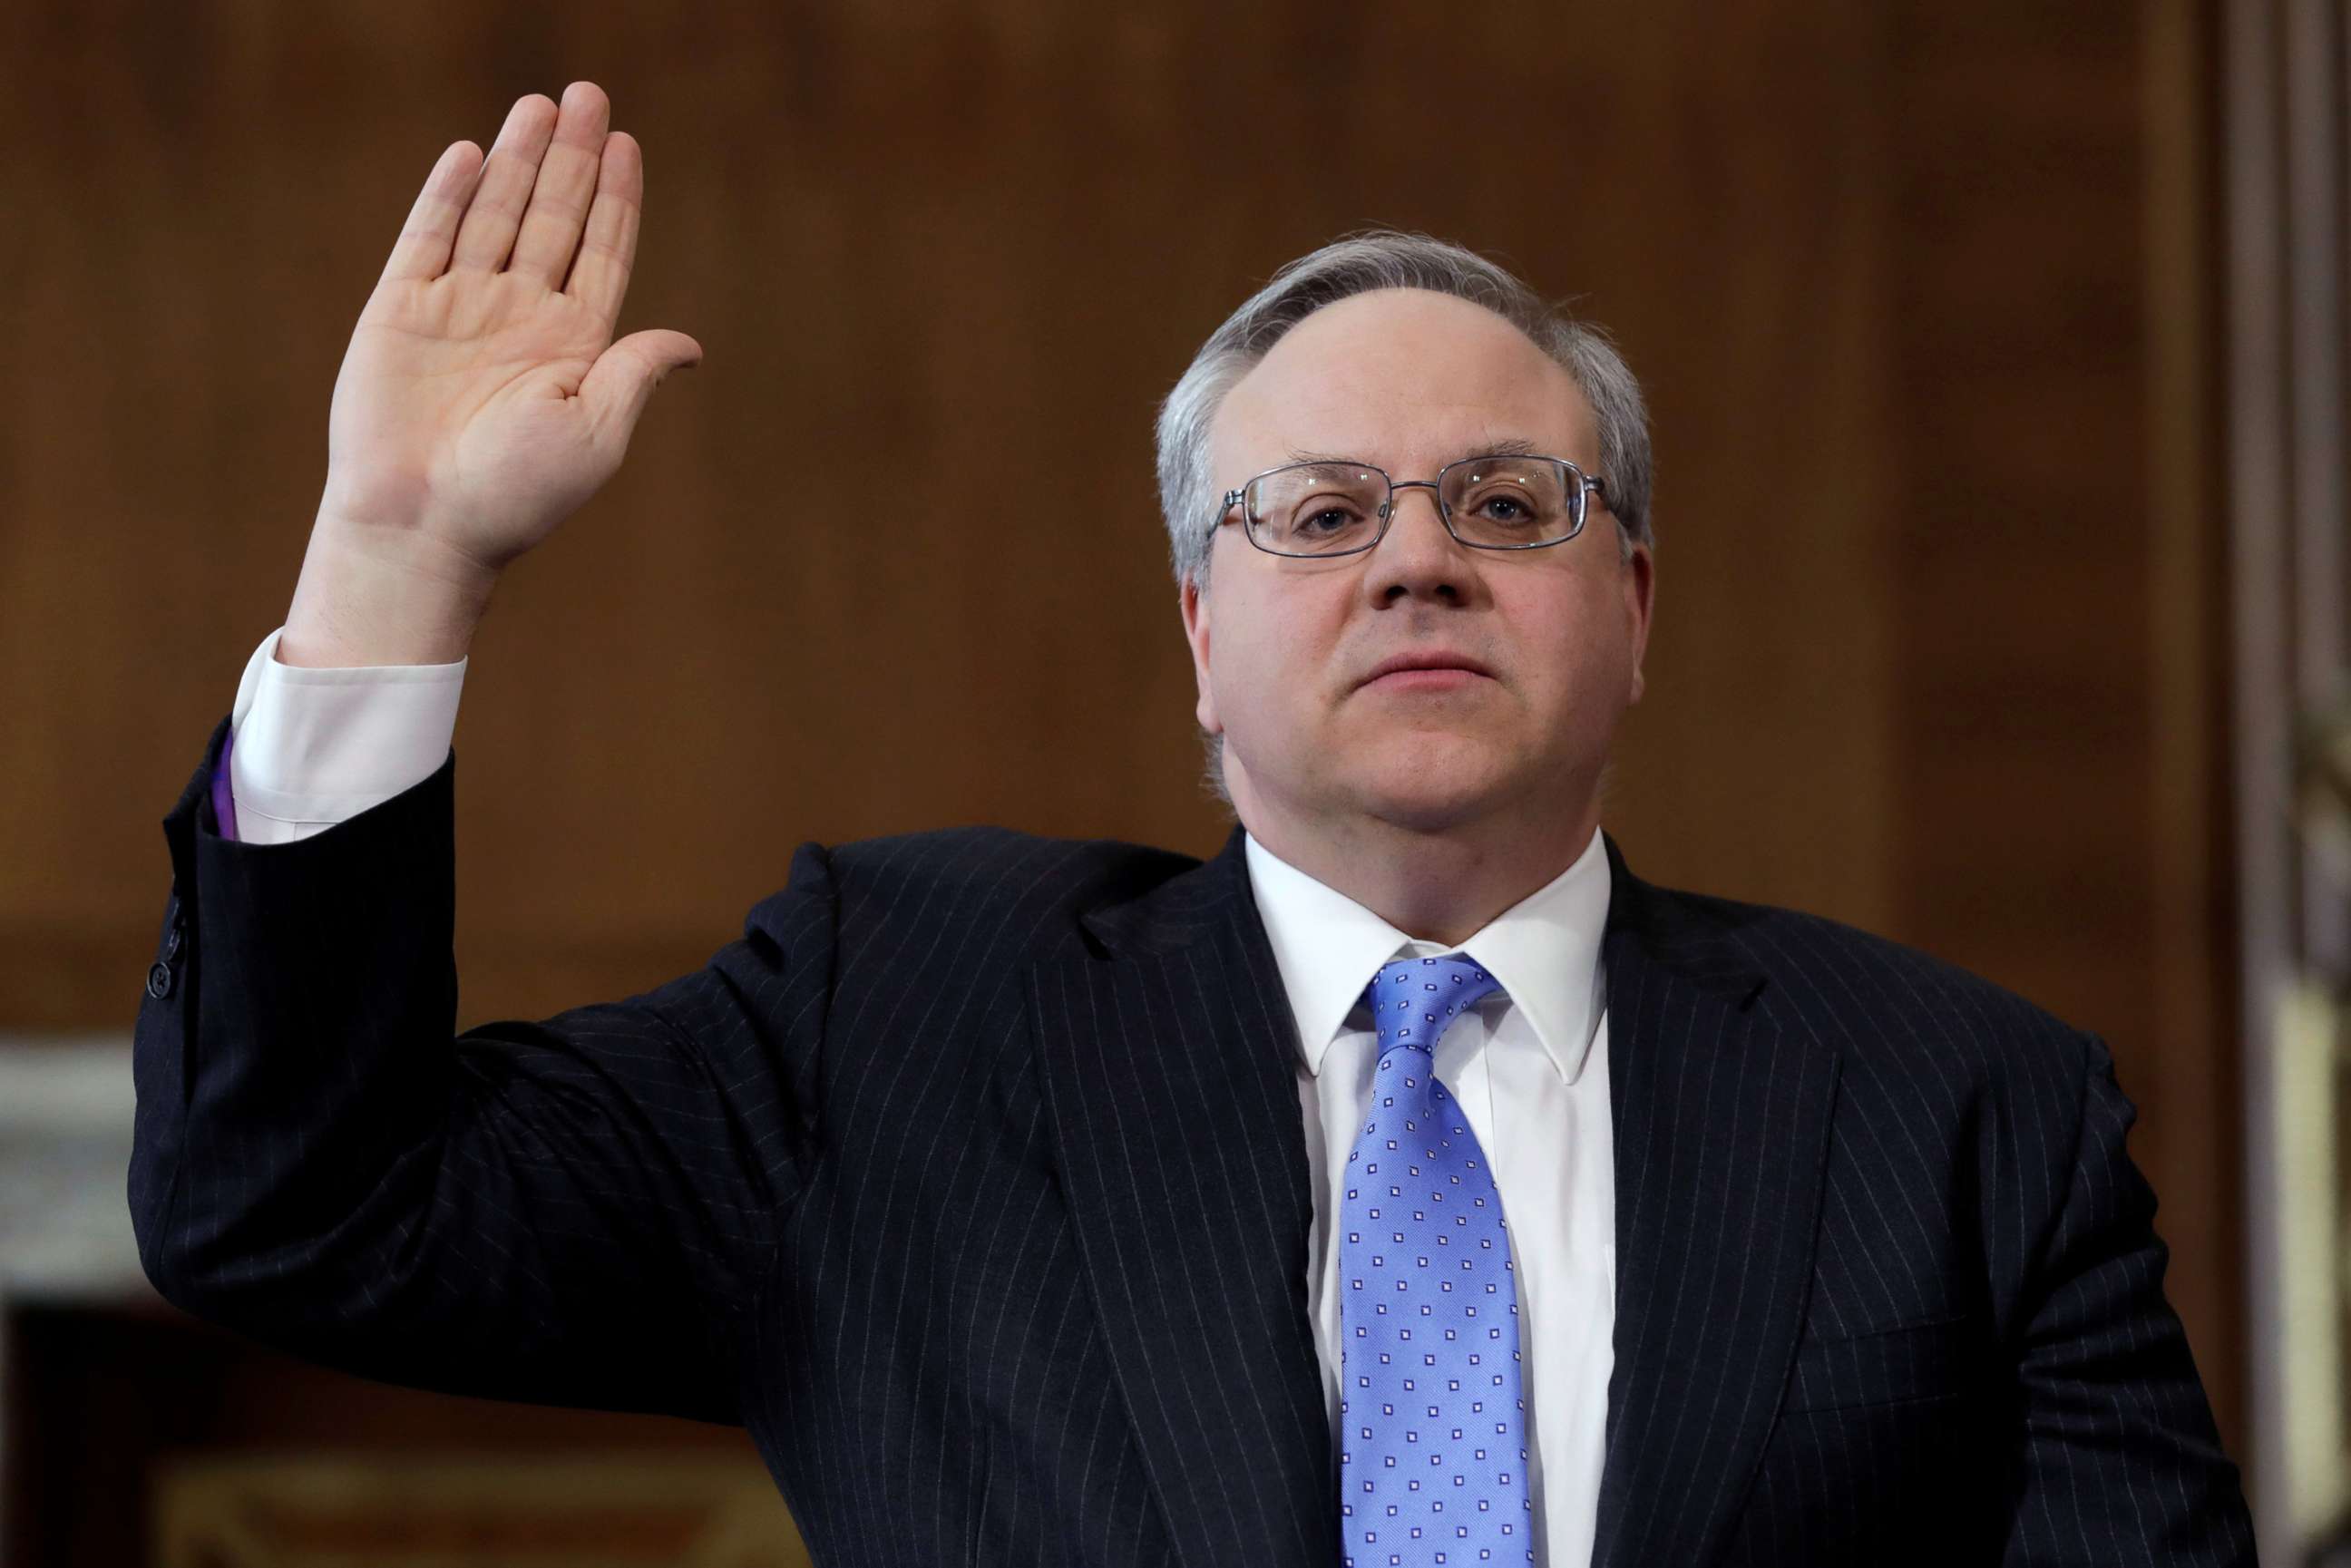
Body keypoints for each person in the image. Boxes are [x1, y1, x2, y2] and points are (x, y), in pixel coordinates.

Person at [129, 81, 2258, 1568]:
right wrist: (397, 557)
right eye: (1321, 515)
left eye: (1510, 506)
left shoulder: (1967, 1109)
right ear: (1200, 634)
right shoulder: (895, 1025)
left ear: (1632, 608)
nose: (1418, 561)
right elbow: (299, 1211)